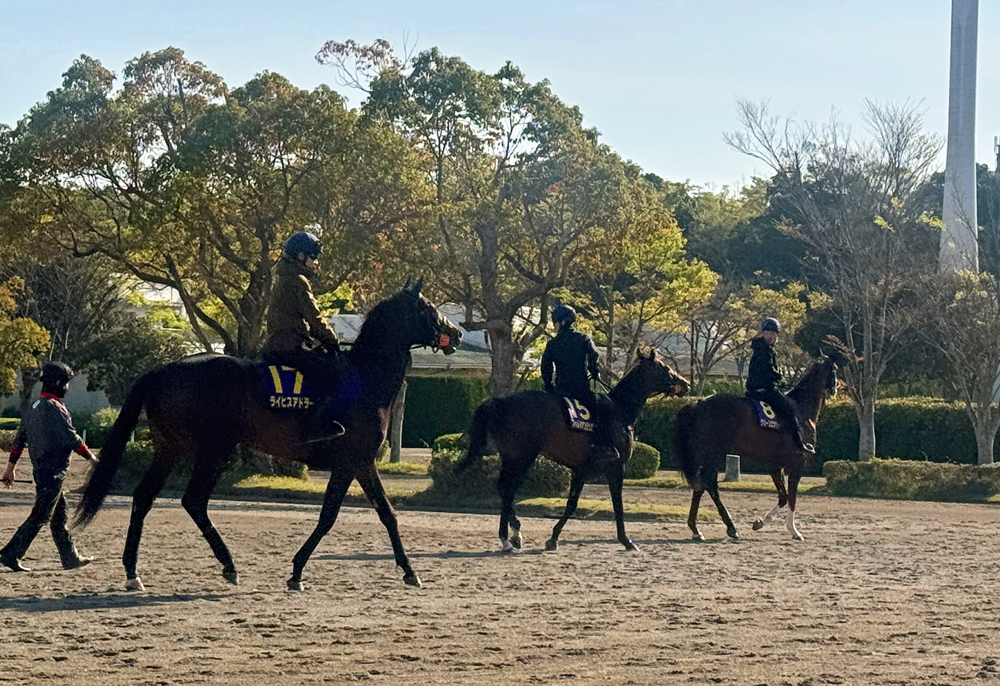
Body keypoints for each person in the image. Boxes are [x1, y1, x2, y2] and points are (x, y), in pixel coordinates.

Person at [0, 361, 98, 572]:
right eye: (65, 383)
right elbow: (72, 438)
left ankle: (70, 558)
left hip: (41, 470)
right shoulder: (55, 408)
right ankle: (10, 553)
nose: (67, 388)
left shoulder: (33, 407)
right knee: (42, 515)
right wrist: (92, 459)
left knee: (59, 515)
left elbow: (19, 439)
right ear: (56, 383)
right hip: (53, 472)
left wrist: (10, 468)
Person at [261, 229, 345, 443]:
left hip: (276, 344)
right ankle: (316, 427)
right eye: (313, 257)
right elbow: (315, 318)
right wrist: (333, 340)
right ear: (300, 256)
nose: (315, 263)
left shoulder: (283, 277)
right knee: (329, 371)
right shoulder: (298, 280)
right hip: (290, 346)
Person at [541, 305, 620, 467]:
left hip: (560, 391)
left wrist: (548, 385)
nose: (554, 325)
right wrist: (594, 371)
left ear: (561, 322)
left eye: (555, 322)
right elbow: (594, 356)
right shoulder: (583, 339)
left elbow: (546, 366)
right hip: (580, 390)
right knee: (598, 412)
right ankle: (603, 446)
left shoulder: (553, 343)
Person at [745, 317, 814, 453]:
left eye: (773, 333)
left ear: (777, 335)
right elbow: (768, 370)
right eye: (768, 333)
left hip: (755, 388)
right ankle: (799, 444)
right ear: (763, 333)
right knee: (789, 410)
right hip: (764, 390)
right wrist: (780, 379)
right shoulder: (764, 350)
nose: (771, 336)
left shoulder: (763, 348)